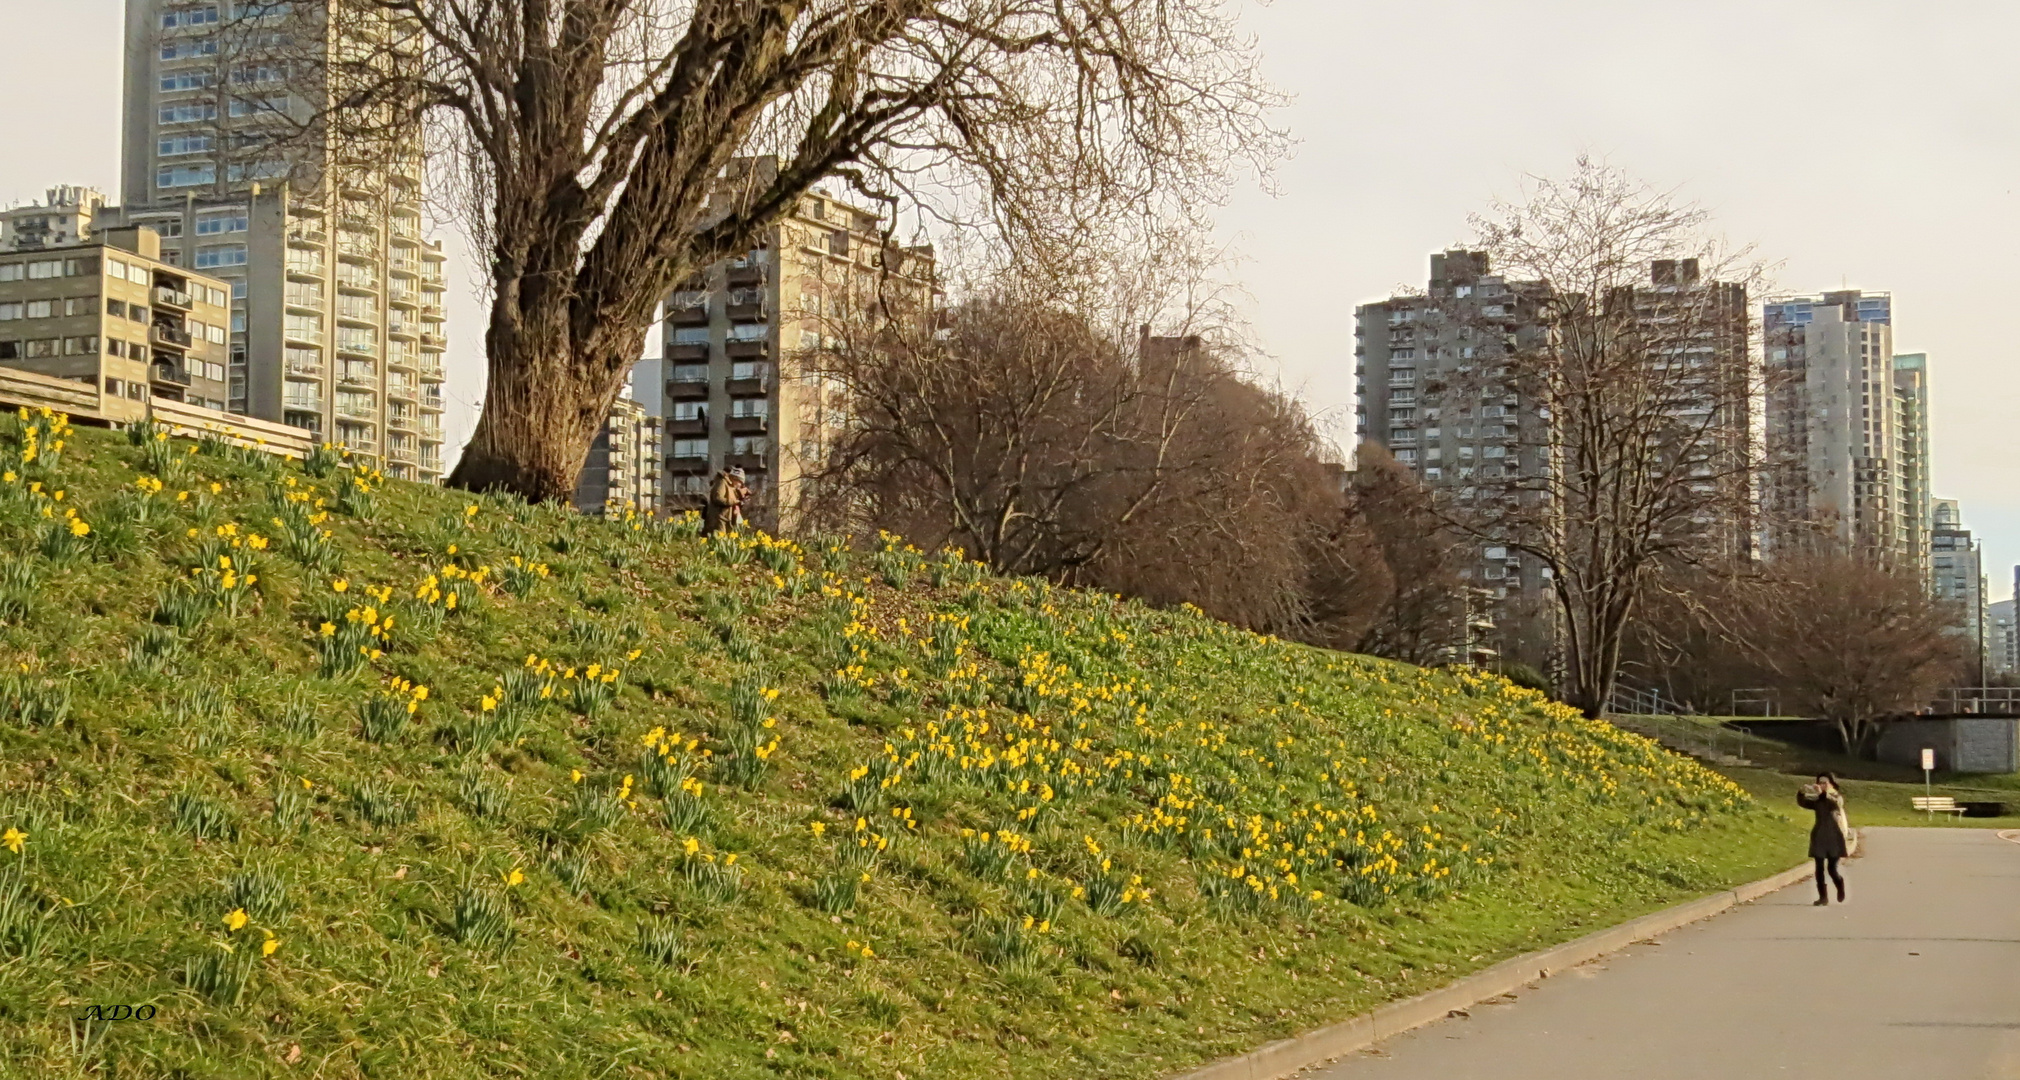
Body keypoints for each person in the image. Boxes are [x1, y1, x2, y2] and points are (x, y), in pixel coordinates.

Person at [1796, 773, 1850, 906]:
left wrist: (1822, 794)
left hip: (1834, 836)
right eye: (1820, 782)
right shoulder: (1818, 800)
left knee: (1832, 869)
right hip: (1820, 835)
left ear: (1831, 784)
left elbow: (1835, 804)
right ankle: (1823, 897)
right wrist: (1801, 792)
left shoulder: (1836, 797)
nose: (1822, 785)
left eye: (1825, 783)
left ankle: (1840, 884)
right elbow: (1804, 803)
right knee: (1819, 868)